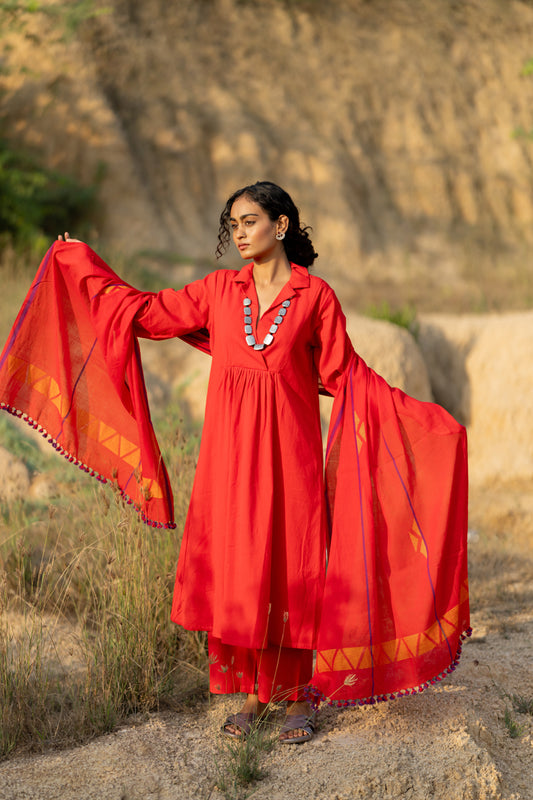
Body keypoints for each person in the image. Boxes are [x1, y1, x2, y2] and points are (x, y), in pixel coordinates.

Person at [0, 181, 470, 745]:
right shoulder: (219, 290)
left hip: (291, 453)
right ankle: (253, 693)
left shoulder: (316, 297)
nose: (239, 233)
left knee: (295, 567)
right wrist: (80, 265)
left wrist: (421, 422)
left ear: (282, 226)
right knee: (244, 565)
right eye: (234, 224)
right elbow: (145, 313)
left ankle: (299, 694)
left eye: (249, 221)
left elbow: (347, 375)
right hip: (230, 455)